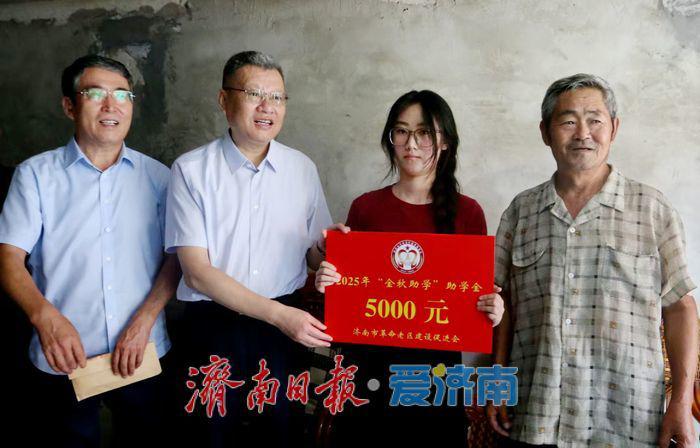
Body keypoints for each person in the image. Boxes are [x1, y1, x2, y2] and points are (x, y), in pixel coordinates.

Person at [488, 73, 698, 447]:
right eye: (568, 121)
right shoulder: (521, 211)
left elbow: (680, 308)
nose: (583, 133)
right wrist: (496, 382)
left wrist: (680, 402)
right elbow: (502, 304)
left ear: (614, 128)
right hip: (535, 415)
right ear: (545, 131)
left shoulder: (652, 209)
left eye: (595, 120)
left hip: (624, 420)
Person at [0, 54, 180, 447]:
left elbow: (176, 258)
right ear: (69, 106)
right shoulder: (35, 176)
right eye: (95, 94)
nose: (111, 105)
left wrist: (144, 321)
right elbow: (9, 259)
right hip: (62, 355)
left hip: (141, 350)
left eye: (122, 94)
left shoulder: (159, 178)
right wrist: (45, 319)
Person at [165, 50, 343, 447]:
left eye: (277, 97)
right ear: (224, 100)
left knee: (281, 433)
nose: (268, 106)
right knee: (210, 435)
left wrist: (326, 249)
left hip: (283, 333)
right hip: (214, 328)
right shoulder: (191, 170)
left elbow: (312, 255)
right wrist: (280, 316)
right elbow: (197, 272)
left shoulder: (301, 169)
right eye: (254, 94)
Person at [315, 89, 505, 446]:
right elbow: (347, 301)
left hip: (435, 373)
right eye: (401, 131)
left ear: (445, 141)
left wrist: (491, 309)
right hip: (368, 369)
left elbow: (473, 302)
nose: (411, 143)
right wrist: (329, 277)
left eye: (424, 133)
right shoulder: (366, 208)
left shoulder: (468, 213)